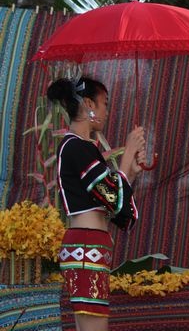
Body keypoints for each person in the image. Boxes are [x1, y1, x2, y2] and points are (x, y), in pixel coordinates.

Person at [47, 76, 146, 331]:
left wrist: (130, 172)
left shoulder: (80, 148)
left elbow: (108, 199)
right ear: (89, 104)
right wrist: (127, 156)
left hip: (88, 245)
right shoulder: (76, 147)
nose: (107, 111)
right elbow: (111, 196)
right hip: (86, 245)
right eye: (105, 104)